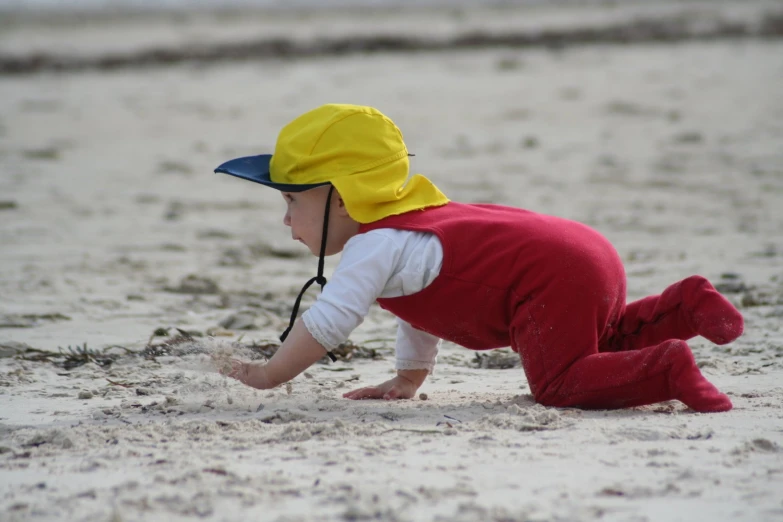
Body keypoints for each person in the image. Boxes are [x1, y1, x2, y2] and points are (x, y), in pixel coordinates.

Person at [214, 103, 744, 412]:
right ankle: (682, 306)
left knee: (560, 383)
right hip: (584, 254)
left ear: (343, 195)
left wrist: (269, 375)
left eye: (291, 201)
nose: (286, 220)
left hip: (548, 278)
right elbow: (417, 304)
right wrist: (409, 377)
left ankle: (668, 368)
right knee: (604, 340)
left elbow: (328, 322)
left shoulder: (371, 245)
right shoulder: (406, 227)